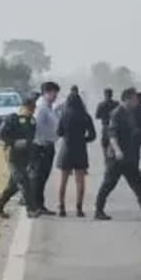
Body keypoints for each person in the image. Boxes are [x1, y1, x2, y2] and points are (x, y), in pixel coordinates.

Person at [95, 87, 141, 220]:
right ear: (128, 99)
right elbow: (112, 135)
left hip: (129, 155)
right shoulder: (117, 113)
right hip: (117, 157)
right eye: (134, 99)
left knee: (137, 184)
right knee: (109, 184)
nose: (137, 101)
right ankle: (98, 210)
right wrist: (117, 150)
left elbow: (132, 131)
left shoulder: (130, 112)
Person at [0, 95, 39, 218]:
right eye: (30, 108)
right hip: (13, 155)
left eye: (33, 109)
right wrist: (14, 142)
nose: (31, 111)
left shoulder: (32, 121)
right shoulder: (13, 118)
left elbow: (31, 139)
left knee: (13, 186)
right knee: (24, 181)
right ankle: (31, 209)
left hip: (24, 156)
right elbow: (1, 133)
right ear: (23, 107)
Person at [55, 89, 96, 217]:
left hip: (66, 148)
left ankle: (61, 207)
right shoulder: (85, 116)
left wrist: (68, 136)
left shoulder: (64, 115)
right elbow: (93, 135)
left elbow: (59, 132)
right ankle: (79, 208)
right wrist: (83, 140)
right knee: (80, 180)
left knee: (63, 180)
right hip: (80, 149)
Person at [30, 81, 61, 215]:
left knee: (42, 177)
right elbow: (36, 128)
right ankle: (36, 205)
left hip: (48, 145)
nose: (55, 96)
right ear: (46, 93)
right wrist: (42, 141)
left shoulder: (48, 107)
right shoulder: (41, 108)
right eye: (54, 93)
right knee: (39, 177)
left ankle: (40, 205)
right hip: (41, 146)